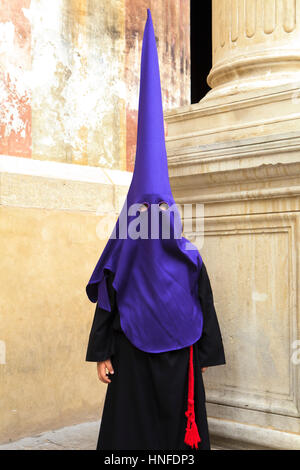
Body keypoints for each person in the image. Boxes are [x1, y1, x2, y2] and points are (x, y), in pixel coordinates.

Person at [85, 9, 225, 451]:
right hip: (140, 355)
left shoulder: (181, 259)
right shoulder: (167, 255)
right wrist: (105, 351)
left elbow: (202, 300)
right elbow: (110, 296)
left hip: (177, 361)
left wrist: (199, 357)